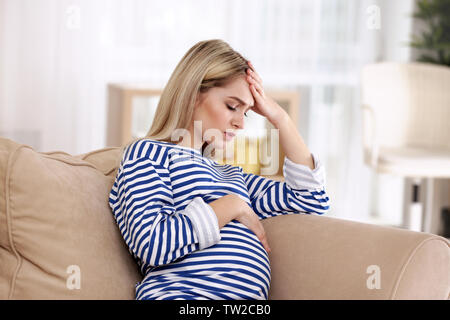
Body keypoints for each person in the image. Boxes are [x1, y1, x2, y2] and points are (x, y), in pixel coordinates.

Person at [109, 39, 330, 300]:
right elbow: (152, 243)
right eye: (232, 106)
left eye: (246, 112)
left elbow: (311, 199)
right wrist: (230, 206)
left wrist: (279, 117)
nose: (240, 123)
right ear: (193, 95)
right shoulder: (148, 153)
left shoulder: (232, 176)